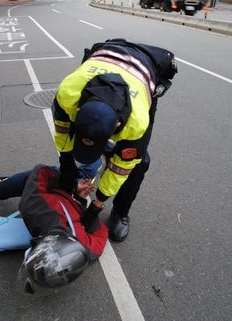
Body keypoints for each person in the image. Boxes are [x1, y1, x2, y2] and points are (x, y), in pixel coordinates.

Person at [52, 38, 177, 242]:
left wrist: (96, 205)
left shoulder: (136, 123)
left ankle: (121, 212)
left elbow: (121, 167)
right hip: (106, 56)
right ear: (78, 110)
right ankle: (97, 143)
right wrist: (65, 160)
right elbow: (62, 130)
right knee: (76, 143)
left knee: (139, 162)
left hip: (142, 72)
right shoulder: (68, 92)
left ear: (117, 126)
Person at [0, 163, 108, 295]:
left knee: (90, 168)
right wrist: (71, 186)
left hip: (69, 201)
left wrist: (82, 200)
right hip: (46, 185)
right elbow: (41, 171)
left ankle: (92, 160)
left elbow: (100, 230)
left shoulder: (84, 250)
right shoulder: (34, 207)